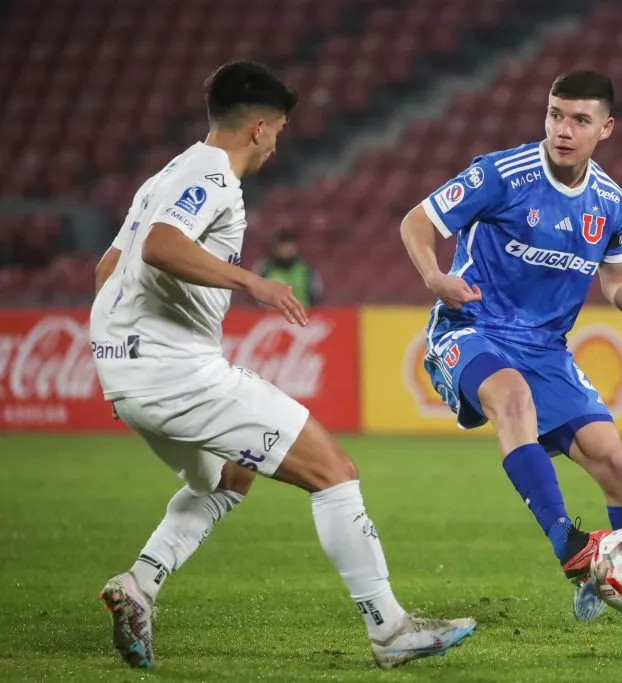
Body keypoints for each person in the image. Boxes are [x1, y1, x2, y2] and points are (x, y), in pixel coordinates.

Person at [90, 61, 474, 670]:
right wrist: (253, 284)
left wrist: (124, 344)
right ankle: (389, 629)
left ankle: (140, 584)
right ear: (262, 128)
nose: (278, 142)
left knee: (226, 477)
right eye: (281, 130)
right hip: (175, 371)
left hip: (124, 371)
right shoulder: (215, 176)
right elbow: (160, 247)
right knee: (334, 469)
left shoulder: (165, 176)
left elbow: (107, 270)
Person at [399, 69, 622, 644]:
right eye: (555, 115)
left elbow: (616, 282)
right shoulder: (502, 173)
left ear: (605, 128)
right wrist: (435, 277)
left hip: (547, 349)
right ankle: (567, 541)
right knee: (511, 396)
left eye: (579, 120)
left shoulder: (609, 201)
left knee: (614, 460)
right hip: (471, 327)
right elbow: (416, 222)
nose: (563, 130)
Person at [257, 228, 323, 307]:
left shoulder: (308, 270)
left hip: (302, 316)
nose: (287, 249)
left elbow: (316, 299)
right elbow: (256, 300)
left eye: (290, 244)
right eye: (283, 245)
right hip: (270, 317)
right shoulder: (264, 270)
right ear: (275, 247)